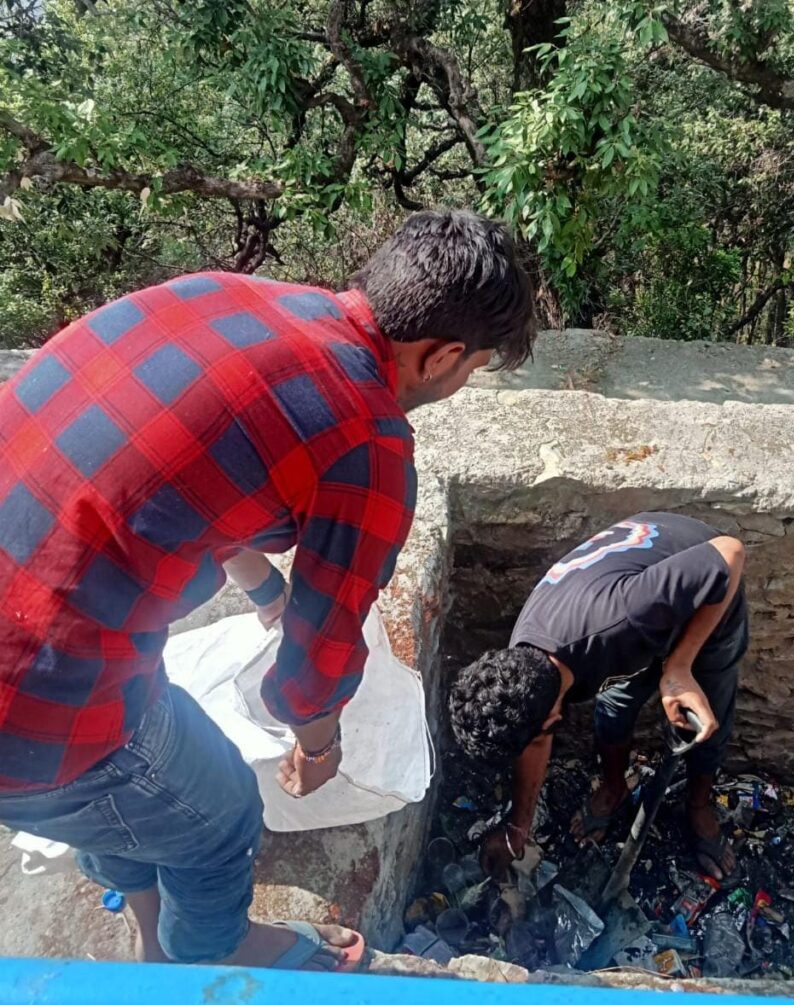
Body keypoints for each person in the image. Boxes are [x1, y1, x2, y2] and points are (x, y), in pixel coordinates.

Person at [0, 209, 535, 971]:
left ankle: (151, 939)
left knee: (140, 792)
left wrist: (261, 589)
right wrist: (320, 746)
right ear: (443, 355)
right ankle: (212, 951)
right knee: (219, 812)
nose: (461, 381)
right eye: (472, 369)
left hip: (34, 593)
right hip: (31, 695)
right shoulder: (367, 442)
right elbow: (318, 660)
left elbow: (191, 475)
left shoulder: (219, 295)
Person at [448, 512, 747, 882]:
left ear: (552, 720)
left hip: (708, 592)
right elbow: (534, 739)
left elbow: (730, 553)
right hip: (643, 608)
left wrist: (679, 665)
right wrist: (518, 827)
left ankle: (699, 807)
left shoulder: (622, 616)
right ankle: (614, 787)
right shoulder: (522, 663)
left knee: (707, 718)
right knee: (613, 711)